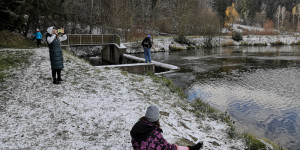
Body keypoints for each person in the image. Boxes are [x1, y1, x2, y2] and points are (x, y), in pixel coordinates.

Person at [130, 105, 203, 150]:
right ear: (156, 118)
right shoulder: (155, 134)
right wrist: (189, 148)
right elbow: (169, 148)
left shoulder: (137, 127)